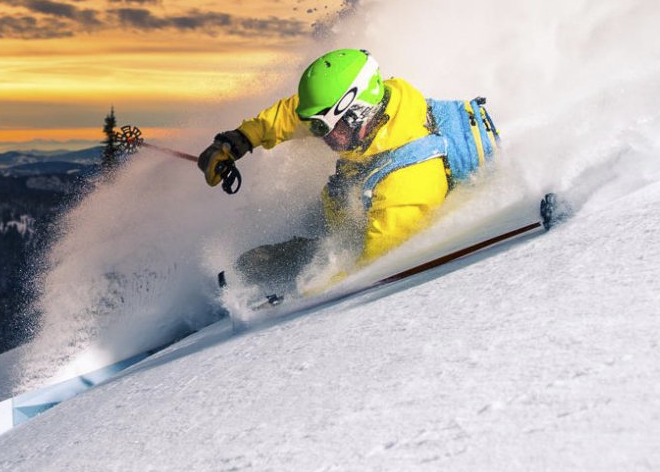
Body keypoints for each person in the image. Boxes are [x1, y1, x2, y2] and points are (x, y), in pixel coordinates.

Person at [195, 48, 499, 294]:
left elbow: (374, 268)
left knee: (260, 266)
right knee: (255, 264)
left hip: (360, 236)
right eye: (314, 124)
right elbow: (292, 113)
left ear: (357, 113)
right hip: (347, 203)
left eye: (322, 126)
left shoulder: (409, 184)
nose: (318, 135)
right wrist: (239, 140)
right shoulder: (370, 111)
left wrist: (301, 295)